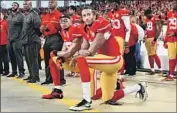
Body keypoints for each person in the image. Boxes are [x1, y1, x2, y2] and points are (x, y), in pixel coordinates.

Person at [69, 6, 147, 111]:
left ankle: (86, 101)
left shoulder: (101, 22)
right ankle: (138, 87)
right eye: (84, 15)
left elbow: (90, 51)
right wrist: (75, 54)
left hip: (114, 59)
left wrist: (80, 54)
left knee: (82, 60)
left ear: (94, 15)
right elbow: (84, 46)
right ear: (81, 18)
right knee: (109, 98)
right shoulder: (85, 29)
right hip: (106, 64)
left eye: (88, 15)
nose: (87, 18)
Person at [42, 15, 97, 99]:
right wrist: (60, 57)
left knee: (93, 94)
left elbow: (71, 51)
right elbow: (65, 45)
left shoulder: (76, 28)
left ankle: (111, 85)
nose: (63, 23)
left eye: (65, 20)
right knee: (52, 61)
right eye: (61, 21)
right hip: (74, 57)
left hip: (88, 57)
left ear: (71, 20)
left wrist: (57, 54)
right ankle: (57, 90)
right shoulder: (63, 31)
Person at [40, 0, 65, 85]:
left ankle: (61, 80)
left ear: (56, 4)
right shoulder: (45, 16)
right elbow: (42, 27)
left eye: (52, 2)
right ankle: (49, 79)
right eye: (49, 2)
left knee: (57, 59)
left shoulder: (60, 15)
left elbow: (63, 28)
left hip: (56, 38)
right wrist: (42, 29)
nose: (50, 4)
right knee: (47, 59)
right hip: (47, 39)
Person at [21, 0, 41, 83]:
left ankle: (35, 77)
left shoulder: (34, 15)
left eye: (26, 4)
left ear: (30, 5)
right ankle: (31, 75)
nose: (24, 5)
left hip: (32, 40)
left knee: (33, 59)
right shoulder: (26, 15)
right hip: (26, 41)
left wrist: (34, 36)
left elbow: (38, 27)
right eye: (24, 4)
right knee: (28, 60)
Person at [7, 2, 25, 78]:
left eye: (15, 5)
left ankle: (21, 72)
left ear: (18, 7)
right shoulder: (9, 16)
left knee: (18, 57)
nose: (13, 6)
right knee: (12, 57)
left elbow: (24, 28)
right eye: (12, 5)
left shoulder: (21, 16)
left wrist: (21, 37)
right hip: (10, 39)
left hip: (18, 40)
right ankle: (14, 71)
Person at [144, 9, 163, 75]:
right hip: (147, 38)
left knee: (154, 54)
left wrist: (155, 39)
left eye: (147, 15)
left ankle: (160, 69)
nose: (146, 16)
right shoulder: (146, 19)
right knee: (149, 54)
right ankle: (152, 70)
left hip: (152, 38)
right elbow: (147, 28)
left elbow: (159, 29)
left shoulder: (155, 18)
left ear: (150, 13)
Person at [162, 4, 177, 81]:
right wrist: (165, 40)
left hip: (173, 37)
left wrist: (175, 33)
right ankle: (171, 75)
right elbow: (168, 28)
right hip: (171, 39)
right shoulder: (170, 13)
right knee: (171, 58)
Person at [0, 12, 9, 76]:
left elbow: (8, 32)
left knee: (5, 58)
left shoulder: (5, 23)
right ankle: (1, 70)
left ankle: (6, 71)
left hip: (4, 43)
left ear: (3, 15)